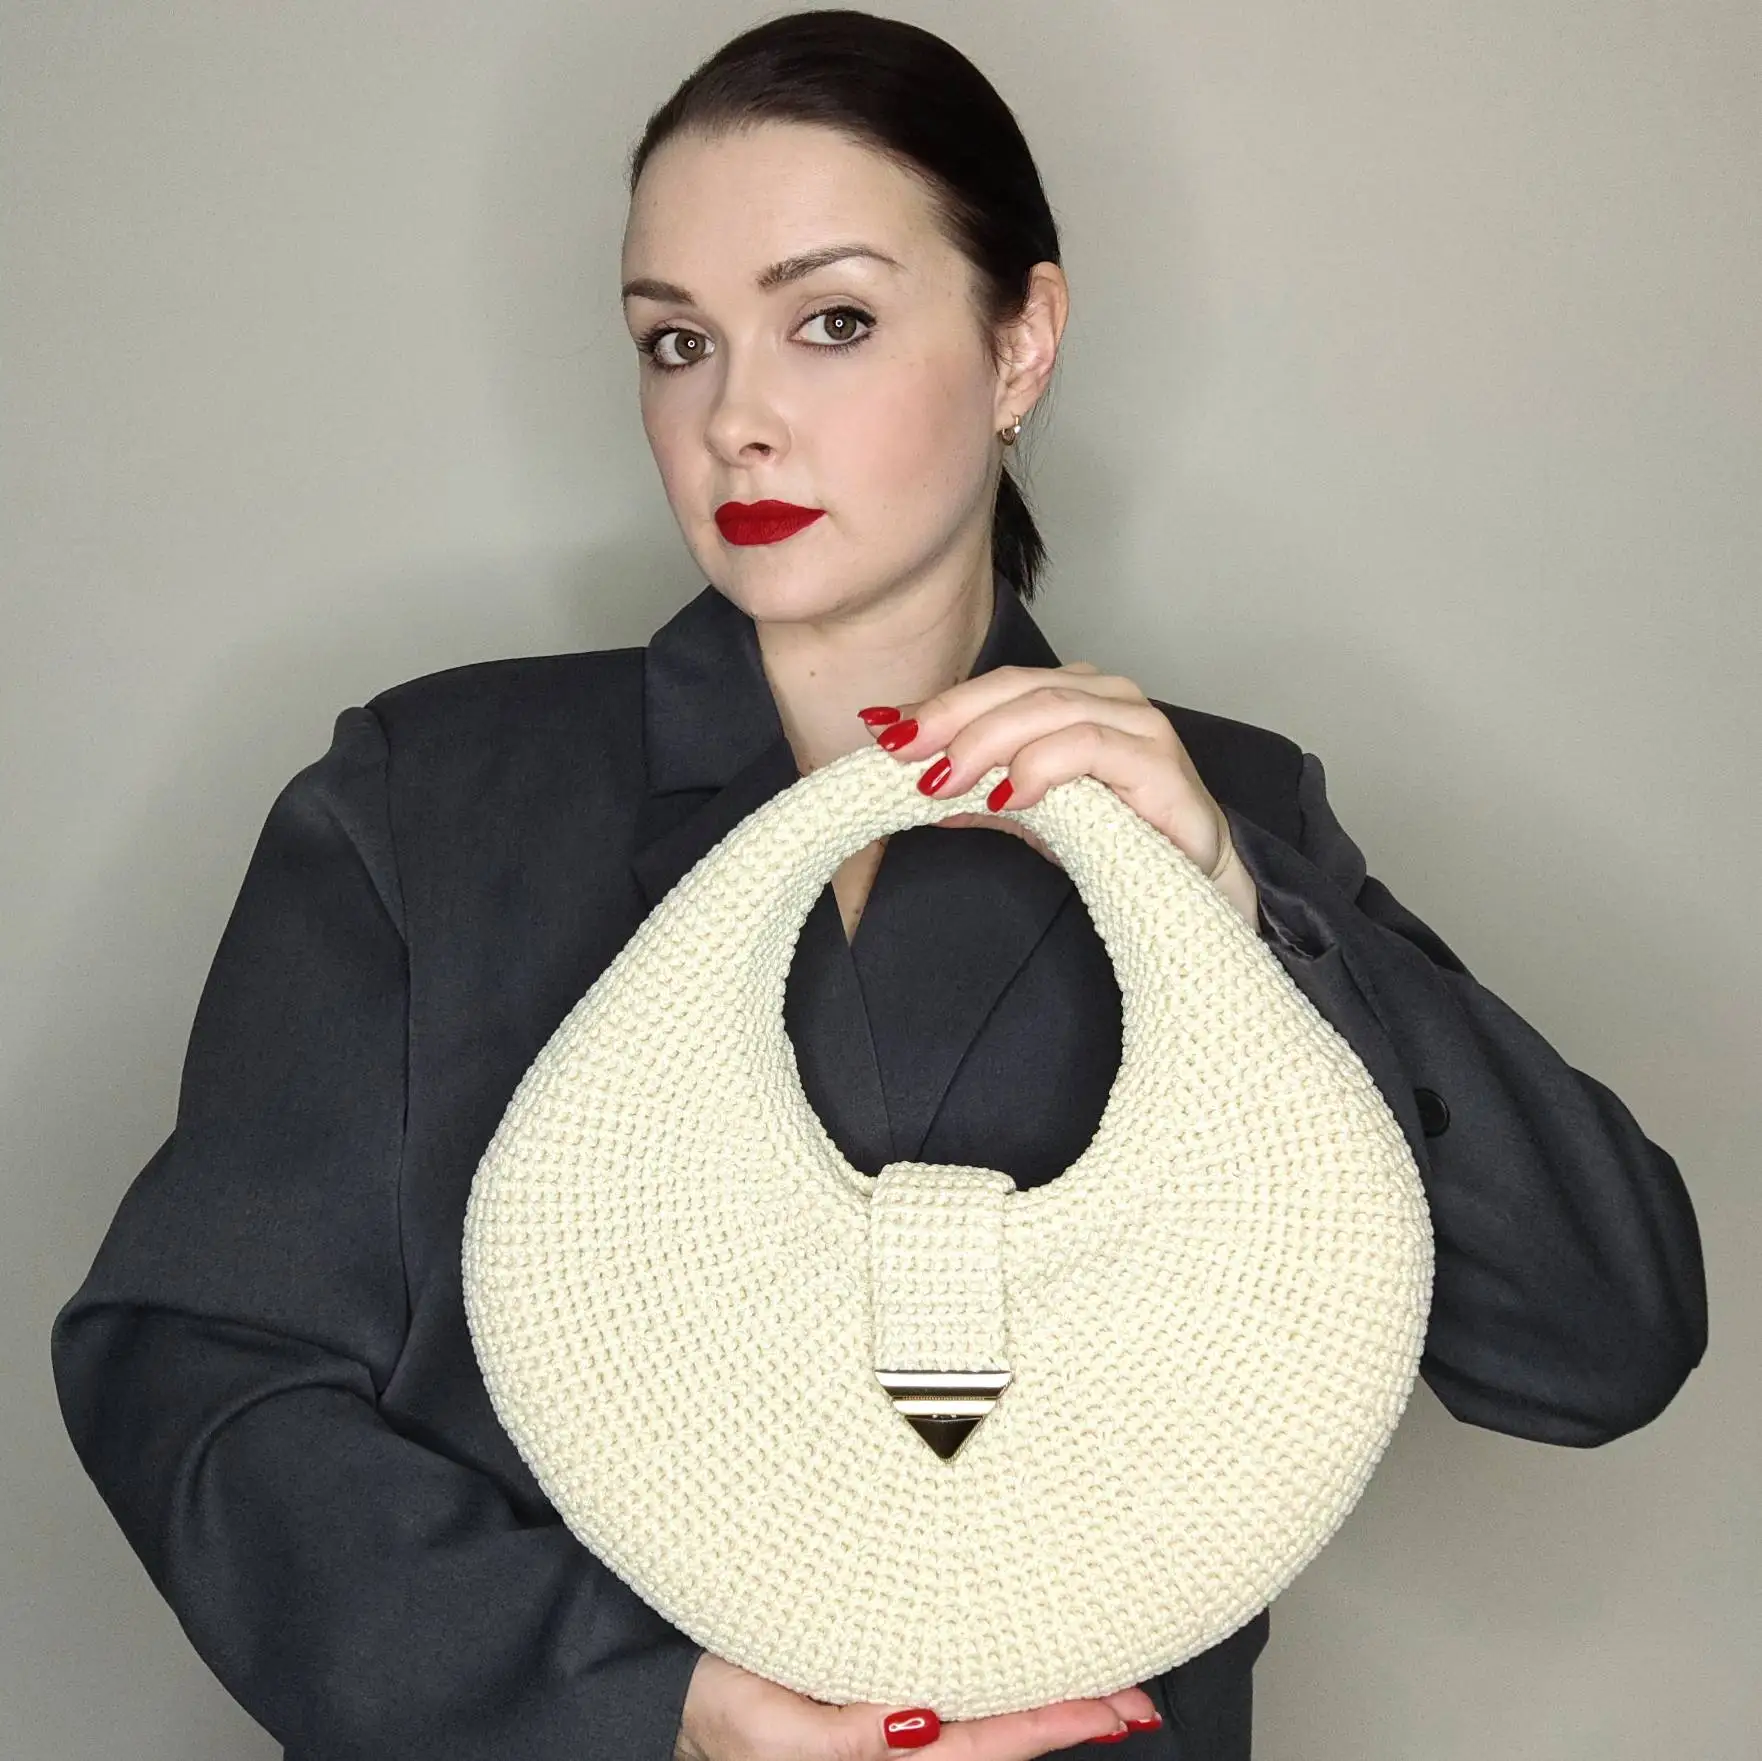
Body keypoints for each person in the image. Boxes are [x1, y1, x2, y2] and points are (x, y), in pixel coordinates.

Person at [50, 11, 1707, 1761]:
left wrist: (1243, 895)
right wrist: (646, 1707)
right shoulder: (437, 797)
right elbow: (197, 1369)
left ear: (1019, 344)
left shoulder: (1225, 801)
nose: (735, 420)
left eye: (829, 321)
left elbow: (1599, 1345)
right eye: (676, 342)